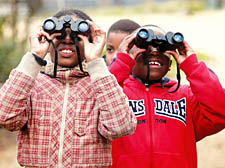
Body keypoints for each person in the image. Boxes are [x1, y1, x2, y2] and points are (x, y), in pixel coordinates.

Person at [0, 9, 137, 168]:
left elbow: (121, 127)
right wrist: (34, 57)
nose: (67, 39)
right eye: (58, 34)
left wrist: (95, 62)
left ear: (91, 40)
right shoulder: (31, 82)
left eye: (77, 35)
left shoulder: (101, 84)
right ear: (47, 38)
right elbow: (4, 116)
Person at [109, 25, 225, 168]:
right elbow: (93, 106)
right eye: (145, 48)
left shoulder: (186, 96)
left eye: (162, 48)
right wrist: (121, 62)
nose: (155, 53)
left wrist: (192, 65)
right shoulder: (114, 93)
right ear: (130, 56)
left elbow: (220, 111)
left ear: (170, 63)